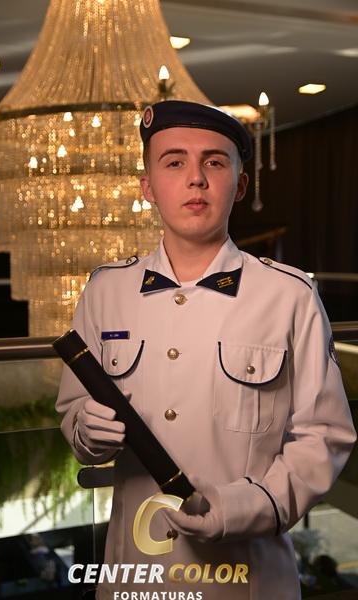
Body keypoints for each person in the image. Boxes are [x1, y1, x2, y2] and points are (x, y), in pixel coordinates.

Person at [56, 100, 356, 600]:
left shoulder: (290, 296)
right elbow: (72, 412)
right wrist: (85, 430)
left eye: (214, 162)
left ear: (239, 185)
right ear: (148, 186)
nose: (195, 178)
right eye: (174, 162)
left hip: (246, 577)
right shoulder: (104, 291)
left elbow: (324, 436)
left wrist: (245, 508)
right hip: (135, 575)